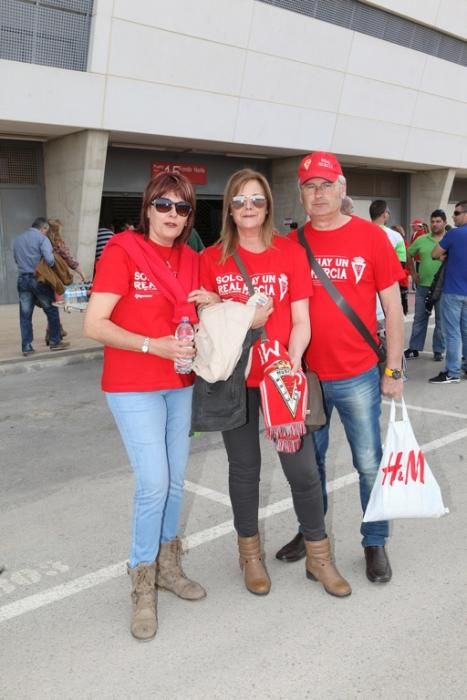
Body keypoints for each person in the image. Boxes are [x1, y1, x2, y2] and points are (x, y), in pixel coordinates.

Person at [197, 168, 351, 599]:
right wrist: (222, 307)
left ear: (268, 206)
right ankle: (250, 555)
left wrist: (293, 365)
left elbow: (301, 319)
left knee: (302, 470)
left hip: (280, 378)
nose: (248, 208)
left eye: (257, 200)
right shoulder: (211, 259)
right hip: (235, 380)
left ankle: (320, 558)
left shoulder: (289, 253)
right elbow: (206, 329)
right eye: (240, 200)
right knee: (244, 471)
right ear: (229, 207)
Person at [83, 172, 206, 642]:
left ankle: (168, 568)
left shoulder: (194, 259)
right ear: (147, 207)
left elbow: (200, 312)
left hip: (180, 382)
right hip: (133, 383)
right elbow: (95, 324)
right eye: (164, 205)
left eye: (182, 208)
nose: (172, 215)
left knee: (175, 482)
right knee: (153, 482)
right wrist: (151, 346)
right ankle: (142, 579)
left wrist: (210, 301)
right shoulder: (122, 252)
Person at [277, 151, 404, 584]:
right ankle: (312, 535)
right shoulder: (292, 245)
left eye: (326, 184)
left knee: (369, 463)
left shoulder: (373, 238)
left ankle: (374, 541)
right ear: (301, 193)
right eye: (310, 186)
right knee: (307, 467)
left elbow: (393, 305)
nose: (318, 193)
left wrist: (393, 370)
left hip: (358, 375)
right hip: (306, 378)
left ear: (342, 189)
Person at [13, 217, 70, 355]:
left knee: (25, 315)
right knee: (51, 309)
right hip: (39, 279)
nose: (46, 233)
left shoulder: (18, 239)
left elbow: (16, 259)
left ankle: (26, 347)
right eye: (46, 230)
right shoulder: (42, 239)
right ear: (43, 228)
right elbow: (50, 260)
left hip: (22, 279)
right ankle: (55, 342)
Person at [429, 201, 467, 384]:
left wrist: (448, 253)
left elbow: (434, 254)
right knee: (466, 331)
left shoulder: (455, 234)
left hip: (453, 291)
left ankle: (452, 372)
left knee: (453, 333)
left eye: (457, 213)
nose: (453, 216)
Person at [404, 210, 447, 361]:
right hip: (423, 286)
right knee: (420, 318)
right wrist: (413, 273)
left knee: (441, 320)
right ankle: (414, 347)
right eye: (433, 221)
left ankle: (438, 350)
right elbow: (408, 253)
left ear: (444, 222)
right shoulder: (421, 239)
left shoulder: (449, 240)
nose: (435, 224)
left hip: (443, 287)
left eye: (438, 221)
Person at [45, 218, 86, 344]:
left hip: (41, 277)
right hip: (54, 279)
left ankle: (55, 330)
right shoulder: (58, 243)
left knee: (50, 306)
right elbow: (69, 259)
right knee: (53, 306)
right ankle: (53, 333)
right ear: (57, 230)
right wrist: (82, 273)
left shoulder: (41, 241)